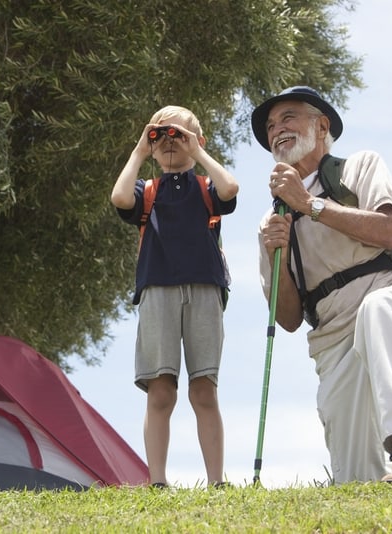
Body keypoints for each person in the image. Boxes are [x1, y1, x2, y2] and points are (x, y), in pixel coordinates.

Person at [251, 86, 392, 484]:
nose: (276, 130)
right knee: (355, 480)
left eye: (288, 117)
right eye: (271, 126)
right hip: (333, 337)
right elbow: (288, 319)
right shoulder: (272, 223)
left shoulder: (359, 167)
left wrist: (310, 206)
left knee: (380, 308)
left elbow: (391, 231)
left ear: (321, 125)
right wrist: (278, 255)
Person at [111, 105, 239, 487]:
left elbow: (230, 189)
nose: (169, 142)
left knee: (204, 388)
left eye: (178, 136)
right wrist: (139, 151)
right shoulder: (147, 190)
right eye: (161, 135)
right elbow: (119, 198)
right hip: (157, 289)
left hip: (204, 288)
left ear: (196, 141)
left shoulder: (204, 188)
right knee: (160, 388)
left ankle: (217, 480)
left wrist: (196, 151)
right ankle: (158, 481)